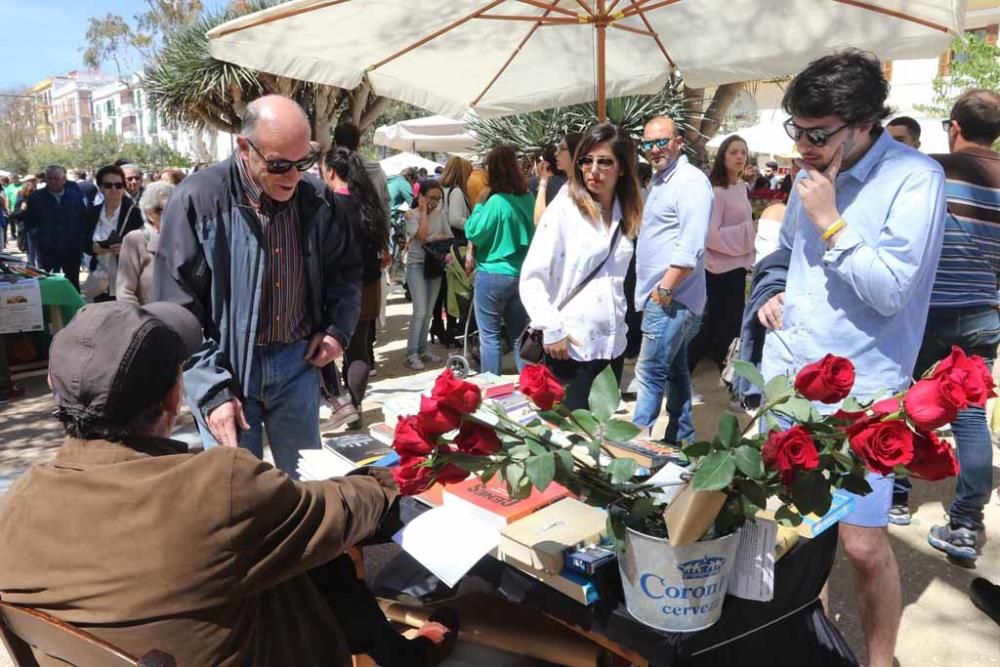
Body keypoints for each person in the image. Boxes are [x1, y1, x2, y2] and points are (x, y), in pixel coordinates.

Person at [0, 300, 457, 666]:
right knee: (322, 557)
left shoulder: (13, 509)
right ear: (175, 396)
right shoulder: (219, 486)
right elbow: (341, 510)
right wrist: (387, 478)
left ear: (52, 386)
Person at [757, 50, 945, 667]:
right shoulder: (807, 174)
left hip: (861, 389)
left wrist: (831, 221)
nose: (804, 146)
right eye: (797, 130)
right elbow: (786, 252)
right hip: (790, 377)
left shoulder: (914, 179)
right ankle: (808, 643)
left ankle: (880, 659)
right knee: (793, 533)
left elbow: (892, 291)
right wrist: (771, 292)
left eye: (819, 134)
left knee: (863, 545)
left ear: (866, 122)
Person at [153, 95, 362, 477]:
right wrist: (212, 390)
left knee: (305, 487)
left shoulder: (315, 198)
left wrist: (336, 332)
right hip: (227, 373)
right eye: (279, 164)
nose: (293, 177)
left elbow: (345, 272)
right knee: (237, 496)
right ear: (244, 147)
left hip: (297, 365)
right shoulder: (198, 199)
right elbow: (176, 309)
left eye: (303, 163)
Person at [889, 89, 1000, 564]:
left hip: (923, 311)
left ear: (954, 126)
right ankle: (964, 525)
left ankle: (892, 498)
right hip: (982, 313)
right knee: (969, 415)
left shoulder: (930, 169)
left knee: (901, 401)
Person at [520, 123, 642, 409]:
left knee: (600, 434)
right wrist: (551, 328)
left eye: (604, 162)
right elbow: (532, 277)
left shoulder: (625, 213)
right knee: (569, 437)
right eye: (586, 161)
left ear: (622, 168)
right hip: (570, 346)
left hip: (612, 344)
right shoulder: (564, 210)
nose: (593, 170)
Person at [631, 116, 713, 445]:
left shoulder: (689, 182)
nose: (654, 150)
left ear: (678, 141)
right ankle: (681, 439)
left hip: (671, 298)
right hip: (668, 297)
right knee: (675, 370)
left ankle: (631, 454)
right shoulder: (661, 179)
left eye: (661, 141)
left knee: (648, 373)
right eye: (648, 144)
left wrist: (664, 289)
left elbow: (690, 245)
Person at [322, 146, 390, 428]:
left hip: (334, 288)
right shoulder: (368, 203)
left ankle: (340, 402)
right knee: (359, 350)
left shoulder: (327, 204)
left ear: (331, 172)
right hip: (368, 285)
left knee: (324, 348)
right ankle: (355, 406)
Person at [465, 145, 535, 376]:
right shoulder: (528, 198)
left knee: (490, 337)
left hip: (492, 274)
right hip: (521, 274)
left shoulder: (495, 201)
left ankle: (493, 391)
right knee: (519, 335)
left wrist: (478, 205)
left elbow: (474, 232)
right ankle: (529, 387)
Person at [688, 135, 754, 377]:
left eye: (743, 152)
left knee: (729, 327)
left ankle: (729, 377)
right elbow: (711, 234)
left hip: (736, 267)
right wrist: (748, 231)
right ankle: (683, 373)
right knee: (711, 327)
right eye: (734, 152)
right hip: (717, 269)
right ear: (723, 156)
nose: (739, 157)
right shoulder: (717, 191)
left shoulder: (741, 187)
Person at [403, 178, 452, 370]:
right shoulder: (410, 214)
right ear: (421, 196)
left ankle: (422, 349)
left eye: (439, 199)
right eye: (432, 198)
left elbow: (448, 237)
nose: (435, 202)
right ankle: (411, 352)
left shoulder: (440, 216)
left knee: (430, 310)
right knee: (420, 310)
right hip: (416, 265)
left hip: (434, 265)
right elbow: (422, 236)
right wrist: (423, 213)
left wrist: (433, 238)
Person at [21, 165, 88, 290]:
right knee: (48, 283)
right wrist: (39, 238)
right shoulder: (36, 198)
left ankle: (74, 308)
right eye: (49, 178)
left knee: (73, 283)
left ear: (64, 180)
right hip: (47, 250)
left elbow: (83, 219)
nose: (53, 182)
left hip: (71, 248)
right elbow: (29, 223)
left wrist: (80, 241)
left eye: (56, 179)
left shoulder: (75, 197)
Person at [84, 165, 144, 301]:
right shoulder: (91, 213)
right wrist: (93, 248)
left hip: (128, 278)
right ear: (100, 187)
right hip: (100, 279)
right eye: (108, 185)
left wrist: (126, 248)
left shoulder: (135, 213)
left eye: (119, 185)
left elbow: (145, 242)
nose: (114, 190)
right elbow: (82, 241)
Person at [431, 156, 473, 346]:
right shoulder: (456, 192)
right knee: (454, 288)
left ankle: (439, 326)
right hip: (455, 244)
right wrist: (475, 225)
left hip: (439, 244)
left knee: (441, 290)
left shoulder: (441, 190)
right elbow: (456, 219)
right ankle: (451, 331)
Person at [117, 181, 174, 305]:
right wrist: (143, 320)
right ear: (149, 213)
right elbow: (125, 292)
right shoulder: (135, 240)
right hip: (150, 317)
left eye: (174, 208)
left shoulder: (185, 236)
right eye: (163, 210)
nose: (170, 214)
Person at [533, 132, 582, 225]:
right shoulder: (568, 186)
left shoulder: (576, 190)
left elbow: (540, 221)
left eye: (562, 148)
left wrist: (543, 182)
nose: (556, 153)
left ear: (575, 151)